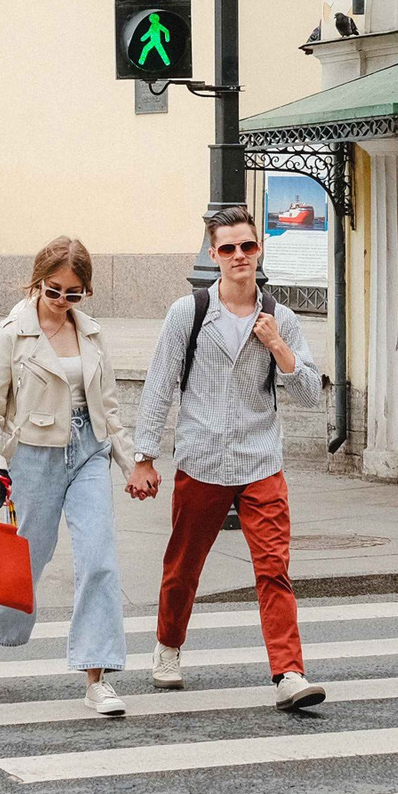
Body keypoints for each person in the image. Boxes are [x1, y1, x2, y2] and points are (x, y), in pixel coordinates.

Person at [132, 203, 326, 710]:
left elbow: (310, 395)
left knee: (274, 568)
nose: (240, 255)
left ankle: (289, 673)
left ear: (258, 250)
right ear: (214, 255)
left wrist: (278, 345)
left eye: (248, 245)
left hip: (261, 461)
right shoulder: (189, 313)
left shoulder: (280, 317)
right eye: (228, 248)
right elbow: (160, 384)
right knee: (183, 565)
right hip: (202, 458)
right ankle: (168, 645)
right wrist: (144, 455)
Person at [0, 237, 132, 716]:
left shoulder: (92, 333)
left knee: (99, 559)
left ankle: (97, 677)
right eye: (53, 290)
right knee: (27, 562)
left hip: (89, 450)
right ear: (37, 282)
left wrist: (132, 461)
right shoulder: (12, 334)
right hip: (34, 456)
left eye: (73, 293)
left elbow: (109, 408)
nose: (61, 301)